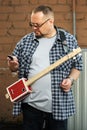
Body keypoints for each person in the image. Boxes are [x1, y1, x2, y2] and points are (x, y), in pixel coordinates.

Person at [7, 5, 83, 130]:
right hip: (30, 105)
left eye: (37, 25)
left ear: (50, 21)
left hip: (58, 105)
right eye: (32, 24)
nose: (34, 28)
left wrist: (70, 80)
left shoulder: (68, 41)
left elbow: (77, 66)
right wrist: (13, 65)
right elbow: (14, 68)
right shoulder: (26, 41)